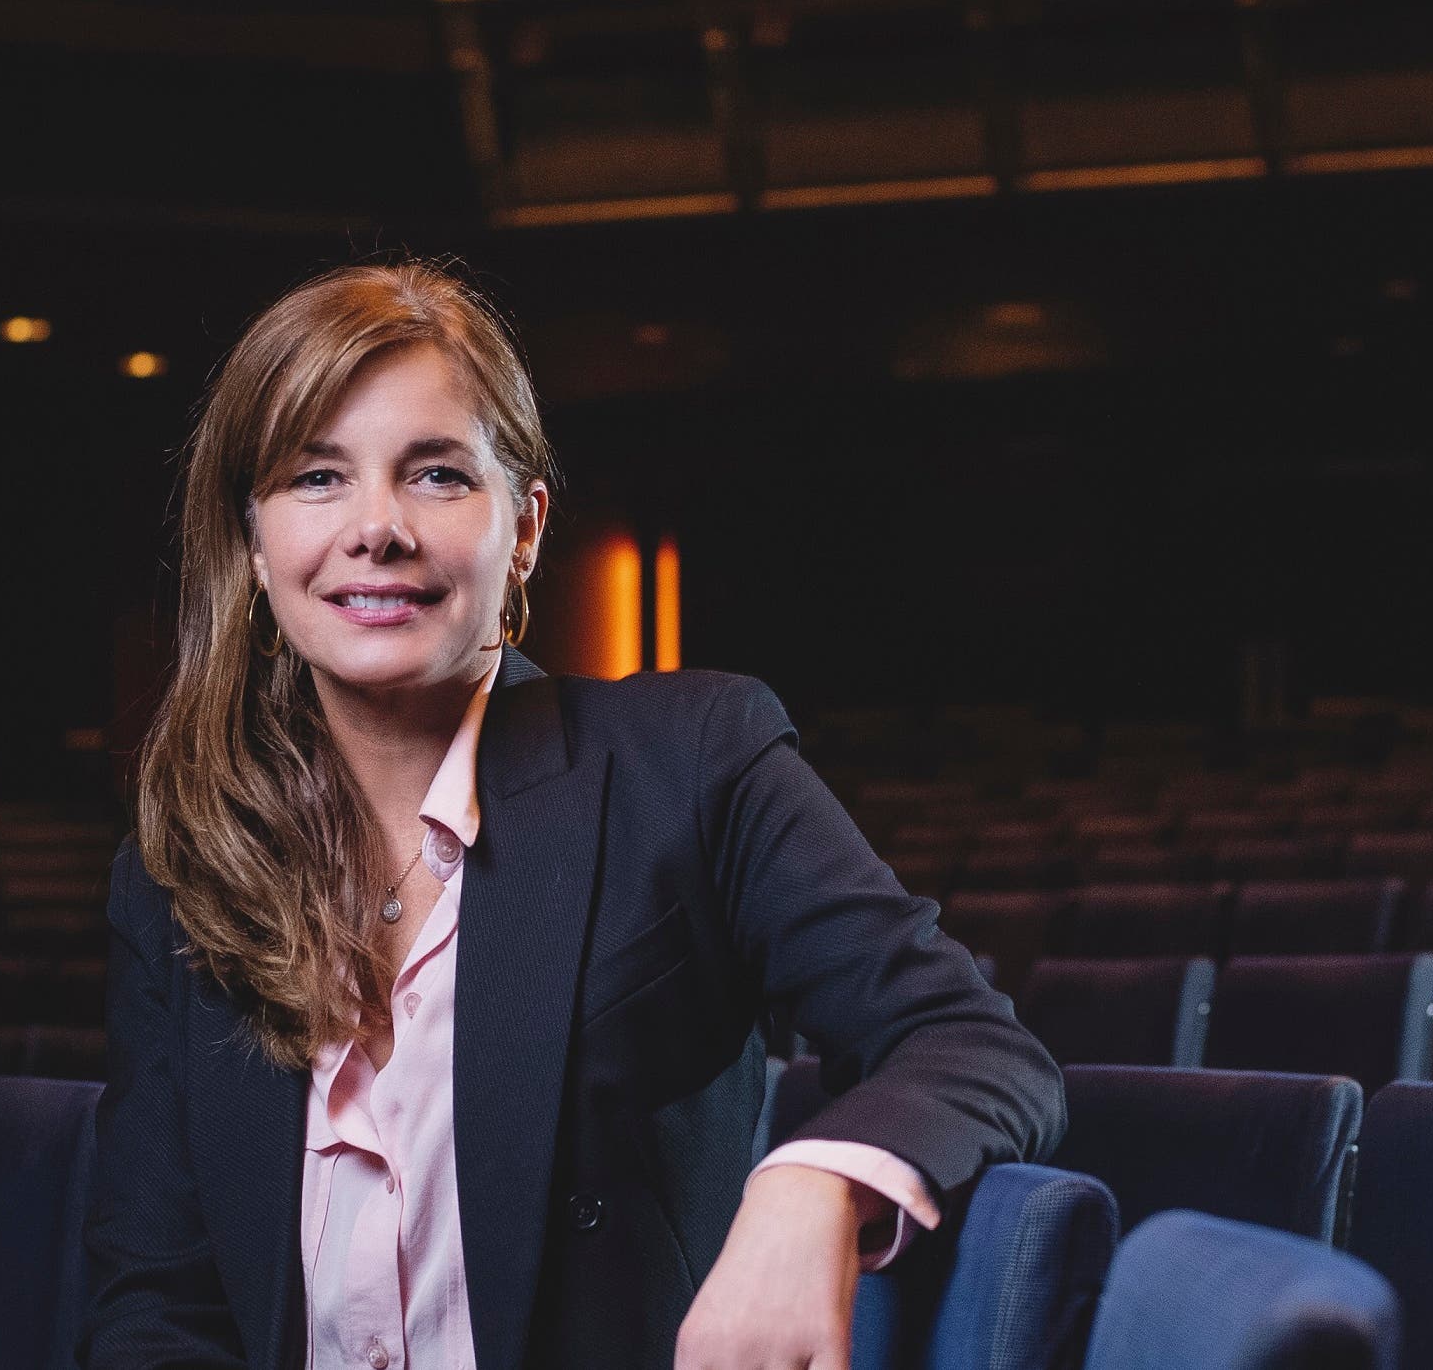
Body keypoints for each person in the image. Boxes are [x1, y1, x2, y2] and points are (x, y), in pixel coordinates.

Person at [80, 261, 1064, 1370]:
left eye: (437, 474)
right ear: (255, 545)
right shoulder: (175, 869)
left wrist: (812, 1177)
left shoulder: (692, 762)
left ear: (526, 528)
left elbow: (973, 1042)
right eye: (316, 478)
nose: (376, 528)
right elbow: (155, 1302)